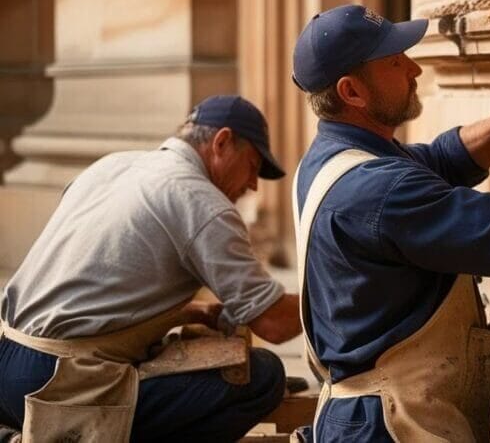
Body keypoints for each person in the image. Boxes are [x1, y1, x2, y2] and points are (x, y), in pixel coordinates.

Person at [291, 4, 490, 442]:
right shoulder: (377, 190)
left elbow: (440, 161)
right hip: (389, 428)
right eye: (395, 62)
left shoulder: (334, 158)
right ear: (352, 92)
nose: (414, 68)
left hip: (365, 416)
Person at [0, 95, 303, 442]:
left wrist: (190, 313)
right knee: (263, 377)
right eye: (252, 166)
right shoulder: (201, 202)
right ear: (222, 142)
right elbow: (274, 322)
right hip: (53, 384)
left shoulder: (112, 165)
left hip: (6, 362)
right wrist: (336, 293)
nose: (253, 186)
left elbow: (91, 287)